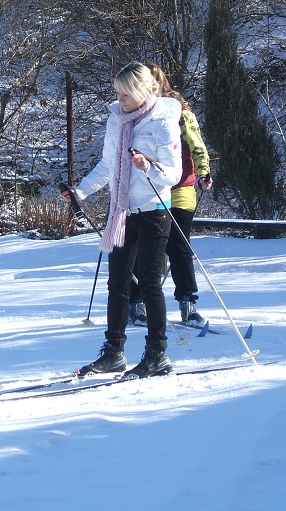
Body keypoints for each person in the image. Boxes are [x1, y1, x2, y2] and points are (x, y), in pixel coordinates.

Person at [62, 61, 182, 379]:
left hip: (154, 212)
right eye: (117, 93)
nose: (120, 100)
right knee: (117, 285)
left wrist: (148, 166)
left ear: (143, 90)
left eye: (125, 94)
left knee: (150, 284)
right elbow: (107, 165)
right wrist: (81, 192)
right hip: (121, 213)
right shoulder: (117, 119)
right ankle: (113, 351)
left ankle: (157, 353)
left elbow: (175, 173)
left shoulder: (164, 122)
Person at [128, 63, 213, 329]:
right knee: (143, 246)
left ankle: (188, 303)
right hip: (147, 187)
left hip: (180, 187)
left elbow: (197, 143)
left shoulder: (180, 111)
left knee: (179, 246)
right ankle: (137, 302)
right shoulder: (133, 114)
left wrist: (203, 172)